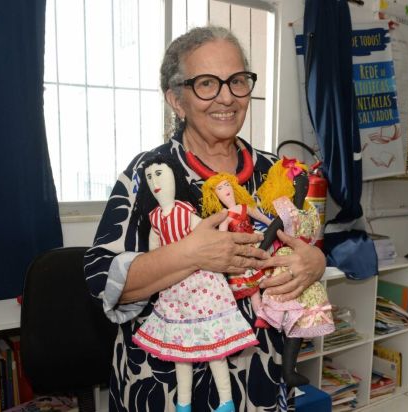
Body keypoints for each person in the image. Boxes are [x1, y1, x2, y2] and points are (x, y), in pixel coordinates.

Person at [83, 25, 326, 411]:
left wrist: (315, 262)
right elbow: (102, 281)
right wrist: (192, 254)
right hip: (165, 385)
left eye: (237, 81)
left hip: (260, 378)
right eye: (207, 84)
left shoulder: (275, 170)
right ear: (176, 100)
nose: (227, 97)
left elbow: (303, 238)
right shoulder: (149, 173)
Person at [130, 153, 258, 412]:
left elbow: (207, 237)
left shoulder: (185, 211)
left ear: (174, 177)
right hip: (174, 287)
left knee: (214, 348)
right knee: (181, 350)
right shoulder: (155, 218)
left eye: (160, 174)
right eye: (150, 177)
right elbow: (153, 252)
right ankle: (184, 403)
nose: (155, 181)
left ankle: (226, 401)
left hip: (201, 285)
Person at [200, 172, 272, 328]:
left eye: (227, 185)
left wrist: (273, 225)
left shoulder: (245, 207)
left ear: (234, 187)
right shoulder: (225, 216)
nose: (225, 189)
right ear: (215, 196)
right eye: (220, 188)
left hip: (256, 244)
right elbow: (222, 237)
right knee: (252, 287)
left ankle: (272, 310)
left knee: (268, 276)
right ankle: (261, 316)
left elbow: (262, 218)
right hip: (240, 250)